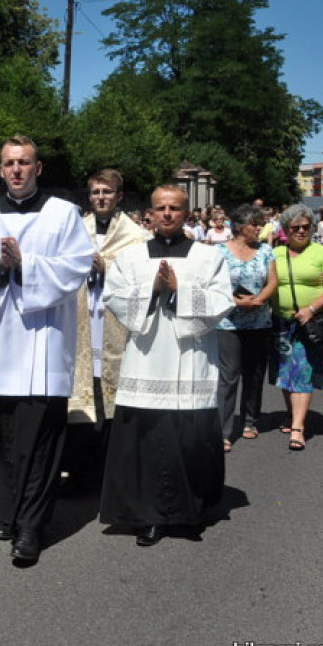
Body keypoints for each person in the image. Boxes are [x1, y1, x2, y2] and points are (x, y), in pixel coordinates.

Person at [0, 135, 94, 563]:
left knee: (39, 442)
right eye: (9, 163)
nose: (16, 170)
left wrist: (25, 264)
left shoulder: (63, 214)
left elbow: (76, 267)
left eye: (24, 163)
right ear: (0, 169)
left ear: (38, 168)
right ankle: (7, 511)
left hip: (43, 344)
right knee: (0, 439)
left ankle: (31, 527)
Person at [100, 185, 233, 546]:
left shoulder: (209, 257)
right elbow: (113, 296)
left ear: (187, 212)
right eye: (161, 208)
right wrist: (154, 291)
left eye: (175, 208)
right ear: (151, 212)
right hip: (146, 357)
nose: (168, 214)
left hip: (191, 358)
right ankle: (149, 516)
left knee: (188, 436)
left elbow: (223, 301)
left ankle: (188, 510)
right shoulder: (131, 257)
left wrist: (179, 289)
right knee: (149, 437)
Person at [65, 169, 150, 489]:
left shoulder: (136, 235)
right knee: (82, 402)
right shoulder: (76, 231)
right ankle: (80, 474)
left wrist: (108, 268)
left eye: (107, 192)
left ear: (119, 196)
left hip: (116, 327)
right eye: (95, 192)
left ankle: (114, 474)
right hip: (82, 323)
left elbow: (143, 279)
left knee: (114, 404)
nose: (101, 197)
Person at [268, 204, 323, 451]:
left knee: (303, 372)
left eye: (306, 226)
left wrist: (312, 308)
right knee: (285, 371)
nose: (301, 231)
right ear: (285, 230)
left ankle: (298, 427)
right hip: (280, 321)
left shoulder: (322, 253)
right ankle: (291, 412)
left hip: (310, 322)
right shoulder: (275, 253)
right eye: (295, 227)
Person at [216, 205, 277, 451]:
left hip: (259, 320)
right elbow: (213, 283)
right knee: (228, 376)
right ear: (241, 226)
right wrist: (236, 300)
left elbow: (273, 281)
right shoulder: (219, 251)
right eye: (255, 224)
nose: (260, 228)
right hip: (228, 322)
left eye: (261, 224)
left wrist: (260, 299)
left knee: (253, 374)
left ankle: (250, 420)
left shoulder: (265, 251)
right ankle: (223, 430)